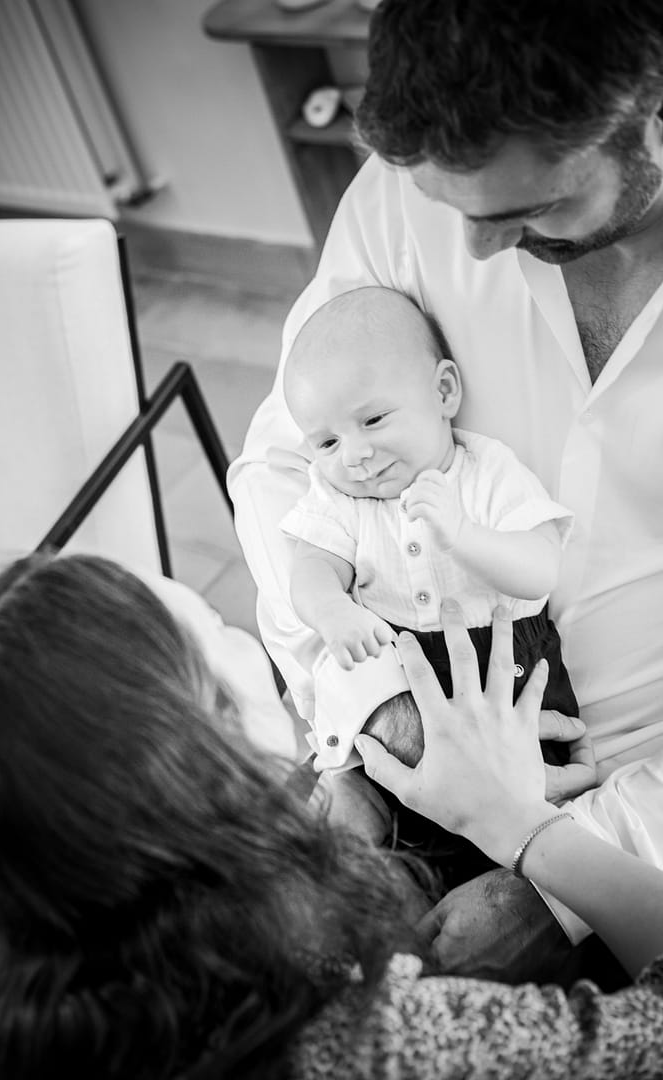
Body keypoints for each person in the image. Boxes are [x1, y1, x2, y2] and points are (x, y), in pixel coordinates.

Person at [228, 0, 663, 975]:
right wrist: (359, 705)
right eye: (456, 211)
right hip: (400, 711)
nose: (470, 254)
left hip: (639, 787)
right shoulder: (416, 188)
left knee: (466, 994)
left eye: (532, 207)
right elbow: (290, 459)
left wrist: (563, 863)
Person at [0, 554, 663, 1078]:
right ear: (213, 750)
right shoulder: (374, 1043)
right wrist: (524, 829)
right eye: (221, 633)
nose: (249, 637)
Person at [281, 285, 575, 780]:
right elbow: (311, 566)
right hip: (401, 676)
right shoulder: (344, 499)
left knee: (525, 780)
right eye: (327, 442)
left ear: (443, 392)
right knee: (372, 776)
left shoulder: (485, 473)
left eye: (373, 419)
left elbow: (541, 570)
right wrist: (333, 610)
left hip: (507, 671)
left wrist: (462, 536)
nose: (354, 455)